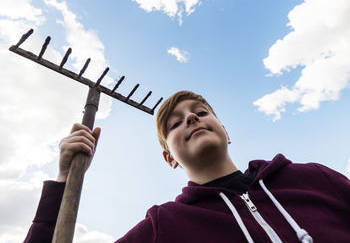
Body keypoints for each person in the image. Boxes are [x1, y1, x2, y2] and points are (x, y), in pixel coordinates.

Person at [24, 91, 350, 243]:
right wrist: (64, 182)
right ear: (170, 158)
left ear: (226, 131)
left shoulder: (312, 179)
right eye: (176, 123)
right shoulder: (164, 228)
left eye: (201, 112)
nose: (191, 118)